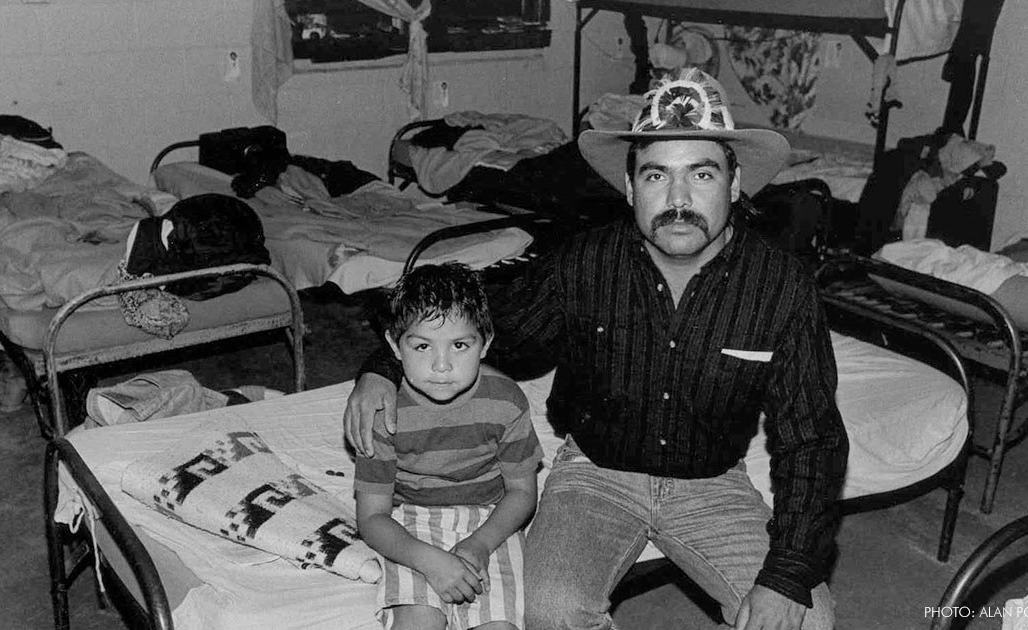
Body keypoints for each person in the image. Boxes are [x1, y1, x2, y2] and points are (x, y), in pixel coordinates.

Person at [346, 68, 848, 630]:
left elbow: (814, 440)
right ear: (630, 188)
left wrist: (786, 575)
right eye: (657, 176)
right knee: (549, 613)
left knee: (808, 621)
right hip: (595, 473)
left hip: (714, 482)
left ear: (734, 185)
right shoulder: (584, 262)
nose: (678, 198)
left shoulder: (781, 287)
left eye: (701, 174)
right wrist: (384, 366)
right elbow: (484, 326)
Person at [353, 262, 543, 630]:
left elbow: (522, 493)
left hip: (492, 521)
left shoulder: (507, 402)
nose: (441, 365)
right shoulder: (382, 412)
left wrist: (481, 544)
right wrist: (429, 560)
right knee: (416, 624)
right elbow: (372, 518)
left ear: (485, 343)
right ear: (394, 344)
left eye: (459, 345)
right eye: (422, 346)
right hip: (409, 524)